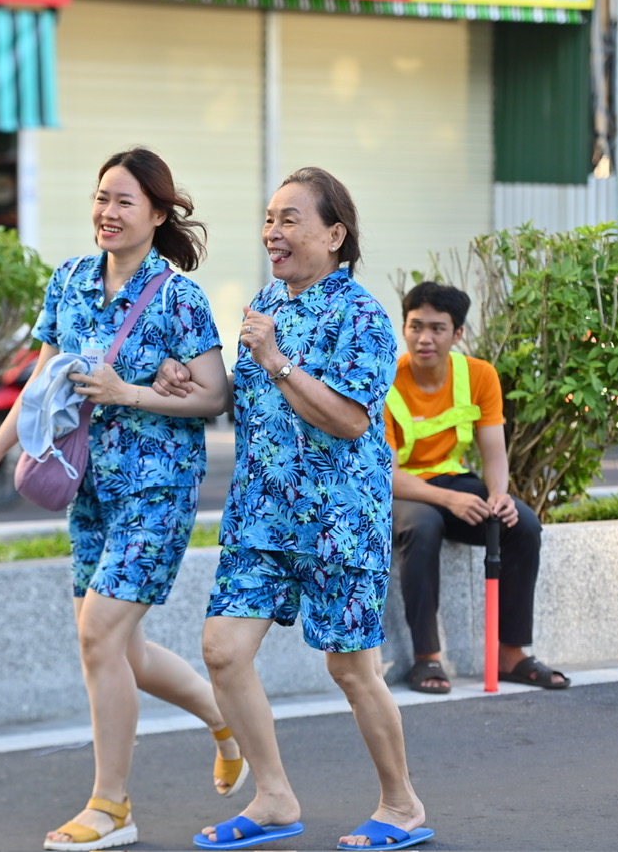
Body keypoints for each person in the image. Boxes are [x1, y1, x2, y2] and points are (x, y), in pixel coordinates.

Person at [0, 147, 244, 852]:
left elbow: (215, 393)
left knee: (97, 634)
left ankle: (111, 804)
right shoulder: (71, 280)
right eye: (101, 197)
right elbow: (43, 379)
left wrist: (131, 392)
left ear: (156, 213)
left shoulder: (179, 297)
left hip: (156, 489)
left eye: (123, 201)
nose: (107, 212)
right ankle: (222, 716)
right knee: (122, 647)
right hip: (87, 486)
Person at [155, 167, 432, 851]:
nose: (272, 232)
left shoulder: (363, 316)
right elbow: (242, 402)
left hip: (339, 519)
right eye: (269, 218)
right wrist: (179, 377)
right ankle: (274, 794)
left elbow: (347, 420)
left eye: (290, 219)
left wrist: (276, 359)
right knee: (222, 648)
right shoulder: (262, 303)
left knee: (350, 666)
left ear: (335, 234)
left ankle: (401, 804)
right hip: (260, 516)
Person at [385, 281, 568, 695]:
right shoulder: (386, 380)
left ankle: (512, 654)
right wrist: (447, 498)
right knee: (424, 525)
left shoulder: (480, 375)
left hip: (452, 480)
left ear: (458, 334)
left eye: (437, 328)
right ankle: (426, 658)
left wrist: (499, 495)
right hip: (402, 490)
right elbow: (385, 473)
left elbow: (494, 453)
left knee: (522, 524)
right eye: (416, 327)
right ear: (404, 327)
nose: (424, 338)